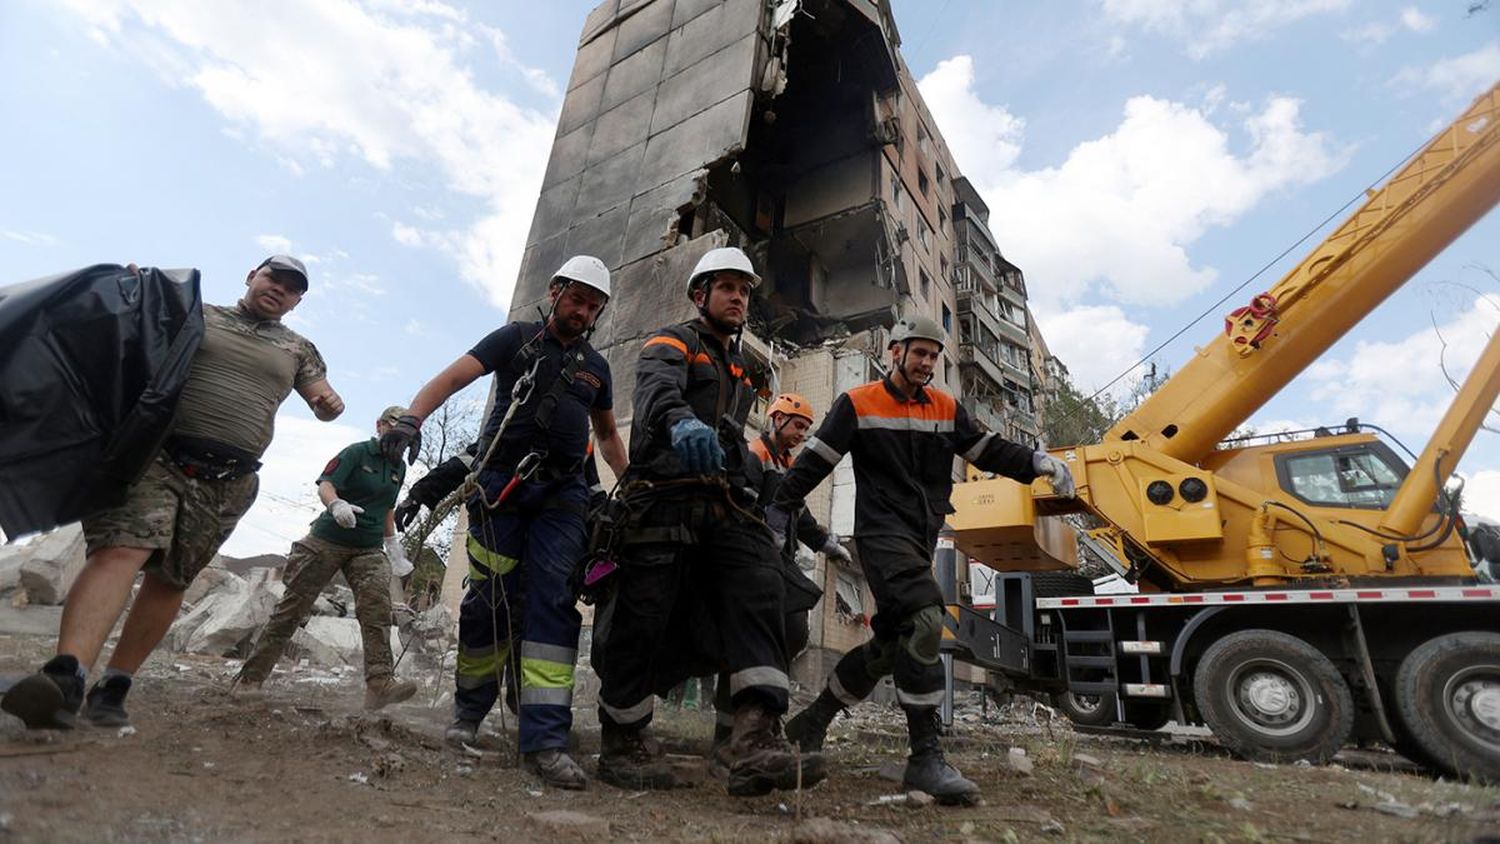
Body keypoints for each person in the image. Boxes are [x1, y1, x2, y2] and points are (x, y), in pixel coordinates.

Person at [2, 255, 343, 730]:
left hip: (230, 479)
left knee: (173, 579)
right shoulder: (194, 313)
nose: (278, 289)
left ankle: (115, 684)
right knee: (122, 549)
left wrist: (329, 404)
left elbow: (323, 402)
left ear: (297, 300)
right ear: (251, 276)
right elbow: (129, 332)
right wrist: (131, 292)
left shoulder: (299, 348)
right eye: (272, 278)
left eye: (291, 287)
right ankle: (66, 678)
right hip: (156, 459)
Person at [769, 314, 1075, 806]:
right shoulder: (858, 403)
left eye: (934, 356)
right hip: (880, 536)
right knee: (928, 618)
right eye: (919, 353)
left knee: (890, 646)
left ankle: (812, 722)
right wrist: (780, 508)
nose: (927, 363)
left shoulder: (947, 408)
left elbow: (988, 450)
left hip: (920, 538)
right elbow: (816, 460)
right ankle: (924, 757)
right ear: (895, 352)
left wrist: (1038, 462)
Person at [379, 256, 626, 791]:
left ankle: (545, 740)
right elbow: (451, 377)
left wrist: (631, 487)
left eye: (593, 303)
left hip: (564, 495)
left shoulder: (596, 368)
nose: (583, 309)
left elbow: (606, 437)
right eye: (576, 298)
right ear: (555, 291)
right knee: (489, 600)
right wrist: (410, 418)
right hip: (501, 488)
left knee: (555, 605)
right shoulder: (514, 339)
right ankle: (468, 716)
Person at [592, 246, 826, 797]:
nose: (739, 298)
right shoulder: (669, 342)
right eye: (727, 288)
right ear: (701, 295)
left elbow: (727, 431)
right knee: (642, 617)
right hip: (663, 500)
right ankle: (621, 741)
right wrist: (679, 423)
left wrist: (738, 460)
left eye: (744, 291)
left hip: (721, 504)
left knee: (765, 588)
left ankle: (749, 737)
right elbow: (655, 396)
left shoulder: (741, 367)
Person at [233, 406, 418, 709]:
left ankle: (379, 684)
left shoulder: (399, 467)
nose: (399, 436)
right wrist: (336, 505)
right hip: (327, 540)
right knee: (292, 609)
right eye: (393, 426)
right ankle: (249, 680)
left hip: (368, 547)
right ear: (380, 425)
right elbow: (326, 484)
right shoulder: (357, 453)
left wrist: (393, 546)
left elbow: (387, 508)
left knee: (377, 610)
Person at [707, 393, 850, 768]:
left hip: (775, 565)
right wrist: (760, 532)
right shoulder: (757, 456)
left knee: (789, 634)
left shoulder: (787, 466)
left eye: (805, 428)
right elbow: (743, 503)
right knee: (765, 639)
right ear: (776, 420)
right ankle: (734, 733)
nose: (801, 433)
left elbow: (798, 517)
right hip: (751, 564)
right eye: (797, 425)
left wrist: (826, 543)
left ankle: (755, 723)